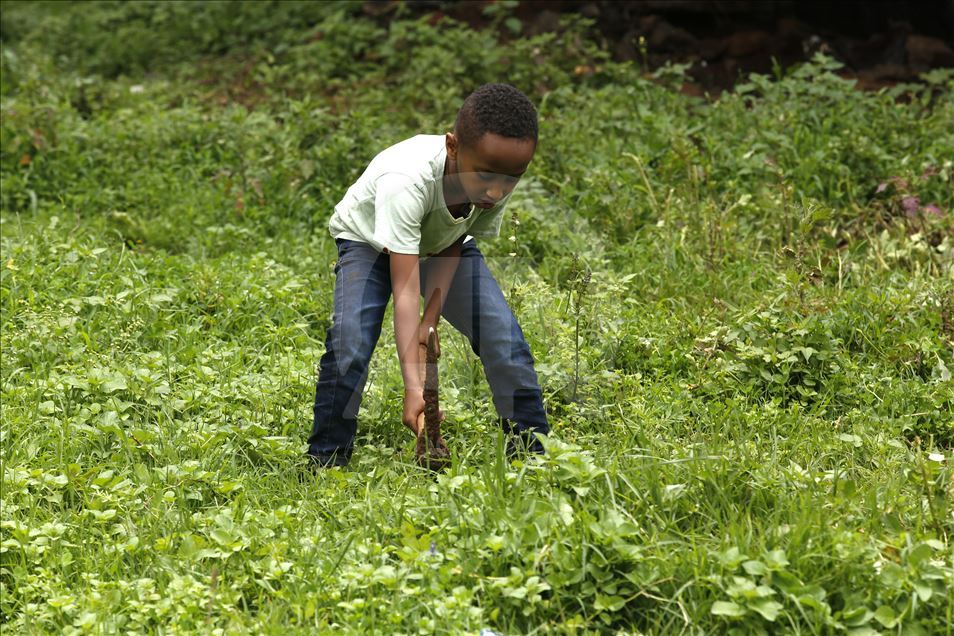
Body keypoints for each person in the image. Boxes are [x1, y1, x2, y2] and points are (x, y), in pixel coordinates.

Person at [307, 83, 550, 467]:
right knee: (351, 342)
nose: (496, 191)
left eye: (512, 178)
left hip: (438, 241)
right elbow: (405, 290)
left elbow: (455, 236)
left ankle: (534, 458)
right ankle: (327, 459)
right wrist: (413, 387)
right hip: (368, 240)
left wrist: (430, 319)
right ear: (453, 146)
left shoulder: (493, 178)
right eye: (486, 176)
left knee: (503, 337)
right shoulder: (408, 180)